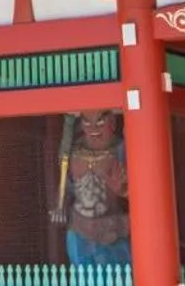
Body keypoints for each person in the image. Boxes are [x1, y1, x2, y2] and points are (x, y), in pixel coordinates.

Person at [53, 109, 130, 265]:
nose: (93, 129)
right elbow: (66, 188)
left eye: (100, 122)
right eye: (87, 122)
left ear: (113, 122)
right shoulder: (73, 153)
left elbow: (146, 198)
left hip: (113, 228)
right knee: (84, 277)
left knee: (119, 277)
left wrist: (123, 191)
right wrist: (59, 206)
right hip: (79, 227)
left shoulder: (122, 150)